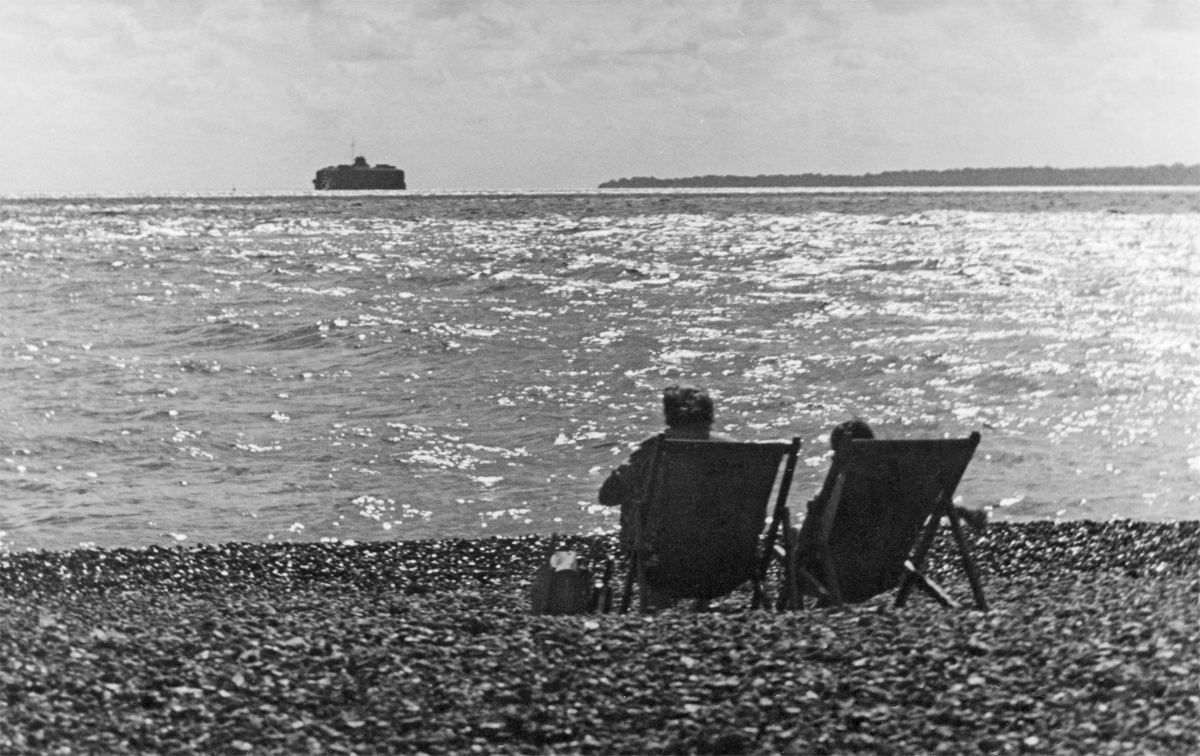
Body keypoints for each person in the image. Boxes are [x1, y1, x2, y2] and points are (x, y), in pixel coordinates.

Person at [598, 384, 730, 609]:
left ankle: (658, 599)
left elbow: (608, 496)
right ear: (710, 413)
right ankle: (702, 601)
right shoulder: (733, 449)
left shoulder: (653, 449)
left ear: (668, 414)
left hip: (660, 557)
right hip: (724, 556)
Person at [806, 418, 987, 534]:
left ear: (838, 457)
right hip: (885, 564)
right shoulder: (893, 488)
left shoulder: (836, 495)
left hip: (834, 569)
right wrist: (962, 511)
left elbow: (815, 531)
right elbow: (925, 503)